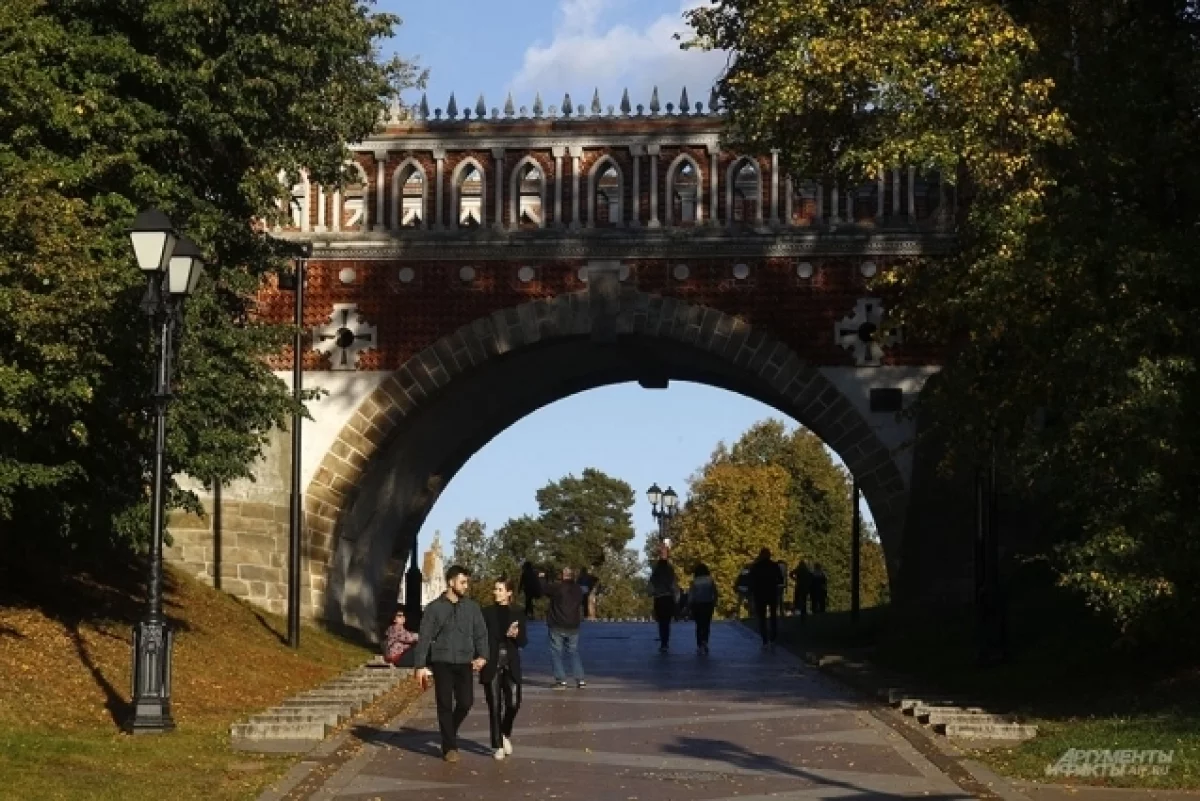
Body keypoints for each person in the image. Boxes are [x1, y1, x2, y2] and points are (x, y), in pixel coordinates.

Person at [411, 565, 489, 763]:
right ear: (451, 582)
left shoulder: (472, 608)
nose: (466, 586)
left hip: (464, 661)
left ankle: (449, 731)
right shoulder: (434, 608)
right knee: (444, 704)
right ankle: (449, 747)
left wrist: (483, 656)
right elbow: (425, 638)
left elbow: (481, 633)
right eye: (462, 582)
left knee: (466, 702)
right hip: (442, 662)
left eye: (467, 582)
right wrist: (420, 664)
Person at [481, 577, 527, 760]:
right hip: (491, 660)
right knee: (494, 704)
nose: (496, 592)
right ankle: (497, 745)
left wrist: (516, 634)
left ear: (509, 593)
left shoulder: (518, 612)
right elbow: (481, 637)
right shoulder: (486, 612)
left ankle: (504, 732)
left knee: (514, 702)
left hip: (511, 660)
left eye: (500, 589)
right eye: (495, 589)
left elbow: (524, 641)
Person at [543, 566, 586, 689]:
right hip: (573, 625)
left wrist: (542, 578)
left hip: (557, 624)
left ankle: (561, 680)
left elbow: (544, 589)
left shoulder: (558, 587)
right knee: (573, 652)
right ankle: (580, 679)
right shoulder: (578, 589)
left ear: (562, 575)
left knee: (556, 652)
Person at [747, 548, 781, 648]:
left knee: (762, 617)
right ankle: (773, 637)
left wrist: (751, 592)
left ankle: (765, 639)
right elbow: (780, 579)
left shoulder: (756, 567)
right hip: (771, 593)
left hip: (760, 594)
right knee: (773, 616)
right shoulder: (774, 566)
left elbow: (751, 581)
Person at [648, 557, 678, 652]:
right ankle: (666, 642)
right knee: (667, 622)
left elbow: (650, 588)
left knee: (661, 622)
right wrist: (676, 598)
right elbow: (674, 586)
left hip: (659, 599)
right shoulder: (670, 573)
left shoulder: (655, 574)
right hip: (668, 598)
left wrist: (652, 593)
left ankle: (663, 643)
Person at [688, 563, 717, 654]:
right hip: (708, 604)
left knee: (699, 625)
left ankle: (700, 644)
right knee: (706, 624)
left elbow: (691, 595)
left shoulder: (695, 581)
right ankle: (705, 641)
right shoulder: (710, 580)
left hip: (697, 605)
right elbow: (715, 592)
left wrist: (689, 605)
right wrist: (715, 601)